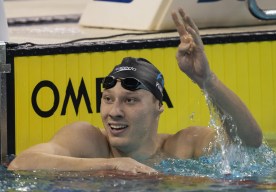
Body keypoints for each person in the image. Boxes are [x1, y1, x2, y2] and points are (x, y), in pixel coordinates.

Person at [8, 8, 262, 173]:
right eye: (108, 99)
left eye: (130, 100)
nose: (114, 112)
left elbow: (250, 143)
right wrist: (111, 166)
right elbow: (22, 163)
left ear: (158, 106)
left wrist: (207, 79)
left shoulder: (183, 147)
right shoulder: (89, 141)